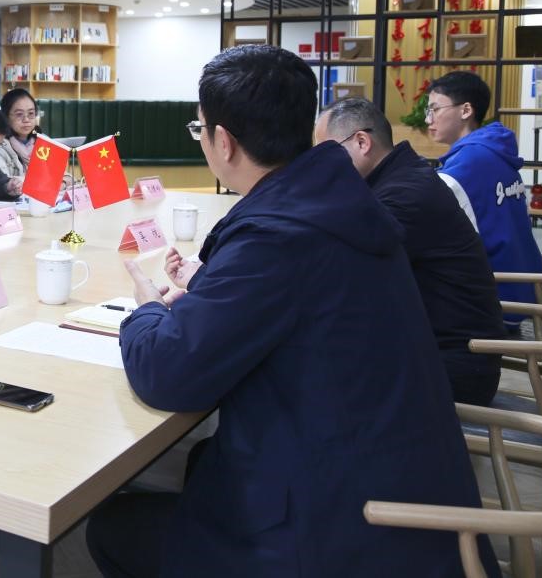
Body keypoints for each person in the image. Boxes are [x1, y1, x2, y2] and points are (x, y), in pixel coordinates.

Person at [86, 45, 495, 578]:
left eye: (199, 128)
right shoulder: (341, 203)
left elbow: (166, 373)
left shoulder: (276, 235)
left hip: (345, 532)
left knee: (113, 526)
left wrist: (145, 311)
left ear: (223, 141)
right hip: (400, 490)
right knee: (200, 459)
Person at [316, 98, 505, 405]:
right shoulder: (402, 177)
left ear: (362, 142)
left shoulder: (403, 196)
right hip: (436, 351)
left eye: (324, 154)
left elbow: (340, 272)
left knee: (306, 373)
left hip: (453, 368)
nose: (320, 168)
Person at [426, 71, 542, 325]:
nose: (428, 119)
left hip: (493, 303)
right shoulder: (496, 152)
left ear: (466, 110)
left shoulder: (467, 165)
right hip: (526, 291)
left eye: (435, 109)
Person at [0, 88, 39, 180]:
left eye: (31, 113)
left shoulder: (44, 143)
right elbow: (3, 182)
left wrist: (64, 182)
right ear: (6, 117)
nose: (26, 120)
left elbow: (62, 175)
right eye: (19, 114)